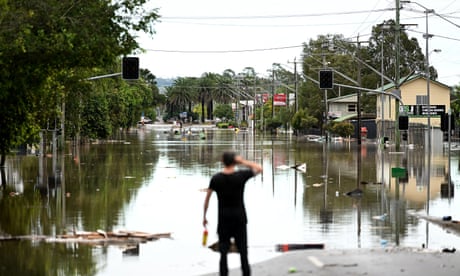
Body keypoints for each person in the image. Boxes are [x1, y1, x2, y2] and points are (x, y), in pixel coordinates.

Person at [203, 152, 263, 276]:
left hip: (224, 219)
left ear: (222, 161)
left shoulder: (216, 178)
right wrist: (242, 162)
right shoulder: (241, 176)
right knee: (243, 252)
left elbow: (207, 200)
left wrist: (204, 217)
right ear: (234, 162)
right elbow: (259, 168)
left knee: (223, 253)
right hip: (239, 218)